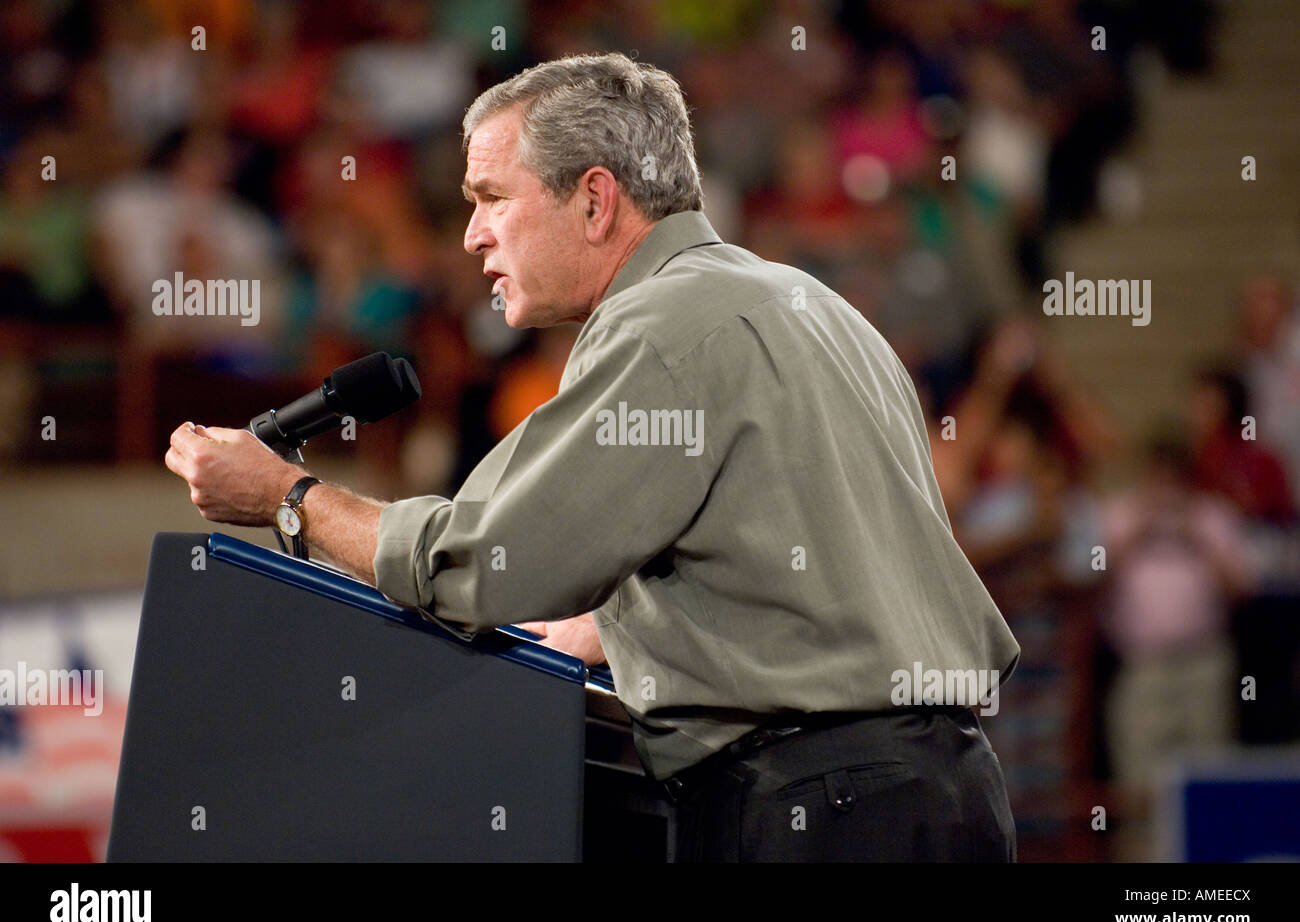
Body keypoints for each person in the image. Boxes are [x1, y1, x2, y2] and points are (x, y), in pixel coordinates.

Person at [165, 52, 1020, 862]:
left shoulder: (662, 326)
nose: (471, 236)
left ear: (594, 201)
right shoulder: (811, 304)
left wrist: (289, 495)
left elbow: (482, 561)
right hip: (952, 793)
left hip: (816, 809)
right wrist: (623, 630)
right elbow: (808, 566)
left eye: (492, 197)